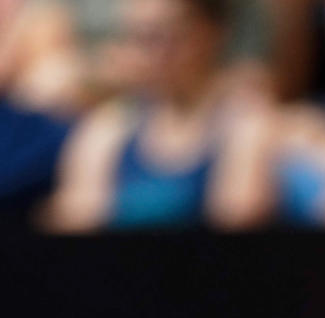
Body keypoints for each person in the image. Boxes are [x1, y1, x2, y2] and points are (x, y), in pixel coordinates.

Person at [47, 0, 274, 230]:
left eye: (164, 35)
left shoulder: (244, 122)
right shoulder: (107, 128)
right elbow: (74, 227)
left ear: (210, 33)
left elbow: (239, 225)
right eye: (139, 37)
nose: (151, 53)